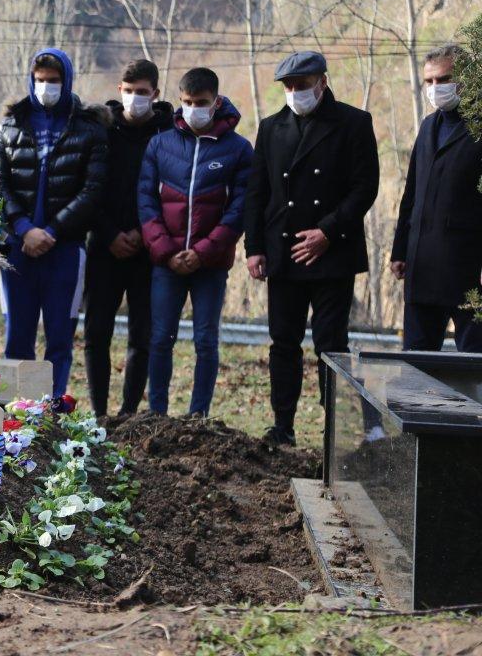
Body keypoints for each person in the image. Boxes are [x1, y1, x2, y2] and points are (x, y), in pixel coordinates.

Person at [244, 51, 379, 446]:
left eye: (301, 85)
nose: (293, 92)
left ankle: (334, 429)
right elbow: (258, 192)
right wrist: (254, 246)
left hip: (331, 253)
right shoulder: (271, 128)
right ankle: (282, 425)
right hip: (283, 251)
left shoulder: (354, 122)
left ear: (321, 81)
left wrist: (327, 231)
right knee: (283, 342)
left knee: (330, 346)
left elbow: (364, 187)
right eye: (288, 87)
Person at [0, 48, 108, 397]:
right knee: (17, 338)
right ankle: (15, 420)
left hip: (65, 250)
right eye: (40, 80)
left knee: (59, 339)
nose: (46, 87)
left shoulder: (89, 128)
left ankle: (50, 414)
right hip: (17, 248)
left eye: (53, 81)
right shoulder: (11, 124)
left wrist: (52, 231)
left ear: (67, 81)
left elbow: (93, 190)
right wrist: (24, 228)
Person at [137, 68, 252, 416]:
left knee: (205, 340)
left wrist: (202, 252)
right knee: (160, 338)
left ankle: (197, 415)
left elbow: (238, 210)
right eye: (186, 103)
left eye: (199, 103)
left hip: (210, 265)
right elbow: (146, 201)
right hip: (166, 263)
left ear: (216, 102)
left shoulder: (239, 149)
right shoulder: (160, 144)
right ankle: (157, 413)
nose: (192, 109)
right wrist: (167, 251)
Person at [86, 59, 173, 416]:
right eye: (128, 91)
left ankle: (127, 412)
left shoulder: (169, 134)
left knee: (143, 336)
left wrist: (143, 232)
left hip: (148, 249)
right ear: (118, 90)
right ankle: (99, 413)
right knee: (96, 335)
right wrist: (108, 234)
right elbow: (88, 189)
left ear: (155, 94)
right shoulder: (100, 131)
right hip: (104, 246)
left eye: (142, 92)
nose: (135, 98)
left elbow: (174, 192)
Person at [391, 44, 482, 352]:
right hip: (422, 265)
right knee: (416, 362)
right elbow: (412, 192)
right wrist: (400, 250)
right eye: (428, 82)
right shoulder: (429, 126)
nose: (434, 88)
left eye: (443, 79)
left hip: (468, 268)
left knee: (474, 362)